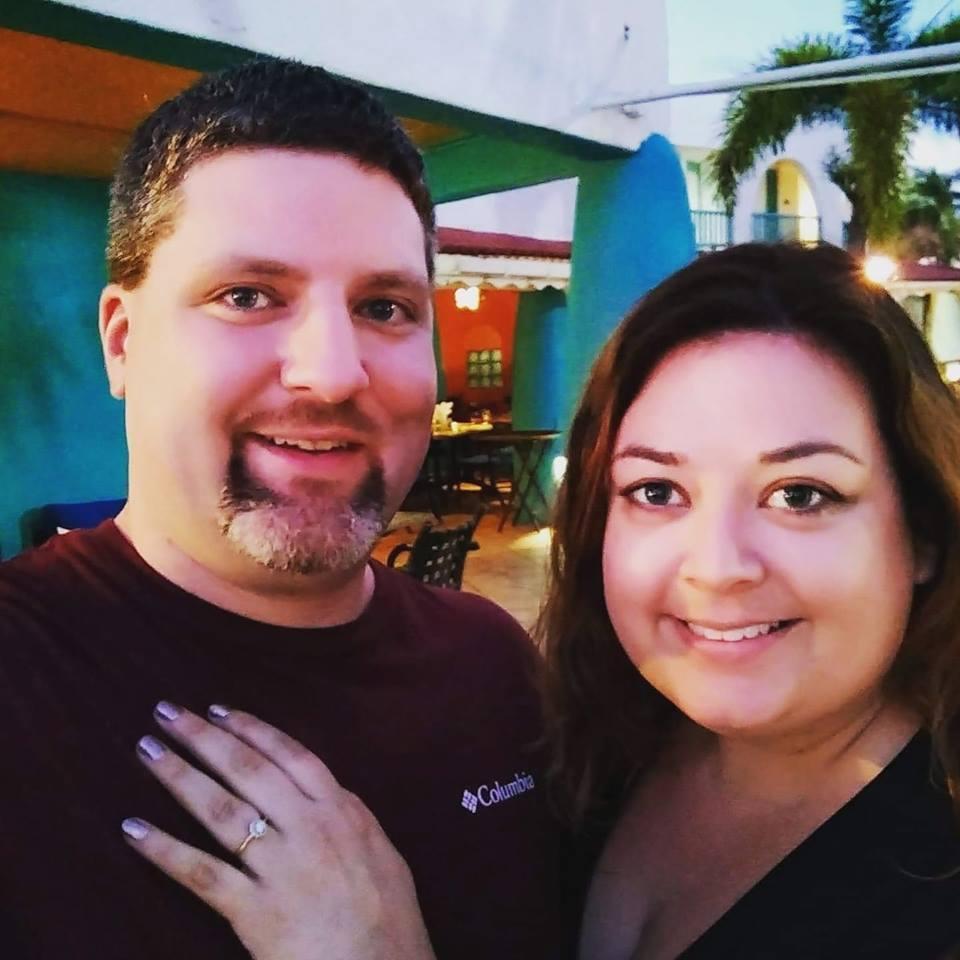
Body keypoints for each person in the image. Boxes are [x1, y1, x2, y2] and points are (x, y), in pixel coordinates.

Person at [0, 59, 564, 959]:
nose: (334, 371)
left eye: (384, 306)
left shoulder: (493, 665)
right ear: (122, 341)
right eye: (248, 296)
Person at [539, 242, 960, 959]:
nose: (717, 567)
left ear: (920, 532)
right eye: (657, 492)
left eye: (801, 496)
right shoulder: (579, 755)